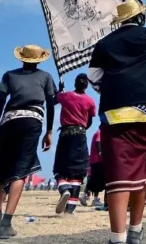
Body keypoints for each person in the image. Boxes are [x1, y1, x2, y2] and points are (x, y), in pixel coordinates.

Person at [87, 0, 146, 244]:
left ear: (120, 21)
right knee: (140, 171)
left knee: (119, 174)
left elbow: (93, 78)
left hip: (114, 112)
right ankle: (135, 230)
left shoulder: (103, 43)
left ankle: (117, 237)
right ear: (140, 17)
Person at [0, 44, 57, 239]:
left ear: (22, 58)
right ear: (39, 60)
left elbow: (0, 103)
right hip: (32, 121)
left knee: (2, 171)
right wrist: (50, 131)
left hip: (8, 121)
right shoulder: (45, 77)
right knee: (21, 171)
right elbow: (51, 105)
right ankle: (6, 223)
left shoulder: (9, 75)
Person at [54, 73, 96, 215]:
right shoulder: (90, 101)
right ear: (86, 85)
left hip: (65, 134)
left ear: (75, 83)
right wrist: (82, 128)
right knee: (78, 170)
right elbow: (90, 121)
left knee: (60, 166)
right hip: (80, 134)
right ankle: (70, 207)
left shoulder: (66, 97)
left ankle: (64, 189)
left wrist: (60, 90)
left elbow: (54, 99)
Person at [81, 126, 105, 208]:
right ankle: (94, 199)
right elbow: (98, 142)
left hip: (94, 160)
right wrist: (100, 153)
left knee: (93, 180)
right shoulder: (100, 132)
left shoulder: (97, 132)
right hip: (97, 160)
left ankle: (86, 196)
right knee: (97, 180)